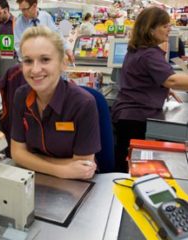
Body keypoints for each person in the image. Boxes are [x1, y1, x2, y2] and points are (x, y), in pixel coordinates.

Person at [11, 26, 100, 180]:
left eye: (45, 59)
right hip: (33, 181)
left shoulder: (83, 104)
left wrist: (31, 158)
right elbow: (17, 153)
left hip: (77, 186)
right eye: (28, 61)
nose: (35, 69)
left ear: (62, 63)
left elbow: (83, 168)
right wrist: (62, 170)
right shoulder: (21, 96)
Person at [111, 7, 188, 172]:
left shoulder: (137, 50)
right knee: (130, 168)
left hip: (126, 116)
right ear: (151, 29)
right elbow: (172, 79)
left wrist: (162, 88)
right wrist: (168, 84)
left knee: (124, 164)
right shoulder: (149, 54)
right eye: (165, 26)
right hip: (135, 119)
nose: (170, 29)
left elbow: (145, 78)